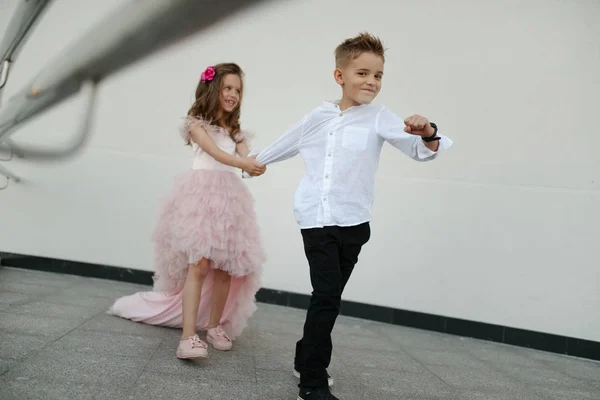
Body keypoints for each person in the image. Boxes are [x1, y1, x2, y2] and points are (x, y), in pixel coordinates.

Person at [244, 33, 453, 400]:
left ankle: (304, 352)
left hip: (355, 224)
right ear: (340, 76)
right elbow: (285, 143)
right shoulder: (318, 116)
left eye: (378, 75)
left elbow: (420, 151)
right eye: (363, 73)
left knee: (330, 297)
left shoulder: (379, 118)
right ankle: (312, 380)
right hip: (316, 219)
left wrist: (429, 132)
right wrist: (250, 163)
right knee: (326, 296)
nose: (371, 81)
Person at [108, 62, 267, 360]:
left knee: (225, 268)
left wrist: (257, 163)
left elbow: (248, 158)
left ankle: (215, 326)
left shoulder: (237, 133)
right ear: (213, 89)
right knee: (199, 264)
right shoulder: (196, 124)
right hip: (201, 197)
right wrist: (243, 164)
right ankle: (188, 336)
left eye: (238, 90)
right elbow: (215, 153)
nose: (233, 94)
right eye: (227, 88)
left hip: (230, 201)